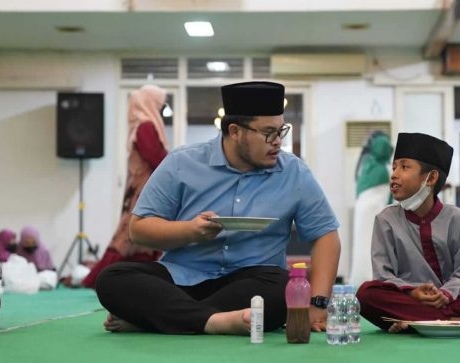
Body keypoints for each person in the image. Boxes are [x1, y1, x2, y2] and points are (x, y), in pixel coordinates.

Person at [95, 81, 341, 335]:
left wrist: (318, 303)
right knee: (112, 279)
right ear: (235, 131)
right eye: (269, 133)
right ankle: (216, 321)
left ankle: (159, 318)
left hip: (253, 282)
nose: (277, 142)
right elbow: (139, 229)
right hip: (181, 278)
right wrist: (190, 231)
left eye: (281, 131)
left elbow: (326, 236)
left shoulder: (294, 173)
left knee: (280, 290)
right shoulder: (182, 162)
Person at [356, 132, 460, 334]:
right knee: (367, 294)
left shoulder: (456, 218)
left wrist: (445, 293)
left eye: (404, 167)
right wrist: (413, 293)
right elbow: (383, 276)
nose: (394, 174)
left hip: (452, 298)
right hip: (409, 300)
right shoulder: (385, 220)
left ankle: (419, 322)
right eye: (394, 167)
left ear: (431, 177)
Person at [82, 85, 169, 288]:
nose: (160, 107)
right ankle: (103, 277)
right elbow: (156, 157)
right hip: (146, 187)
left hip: (142, 184)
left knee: (134, 234)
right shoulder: (146, 126)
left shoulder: (140, 125)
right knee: (134, 232)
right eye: (158, 103)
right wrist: (176, 166)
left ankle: (128, 276)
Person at [349, 131, 392, 286]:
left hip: (362, 214)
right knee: (374, 247)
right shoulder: (385, 169)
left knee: (362, 247)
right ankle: (373, 283)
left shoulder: (365, 165)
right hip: (375, 215)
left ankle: (361, 281)